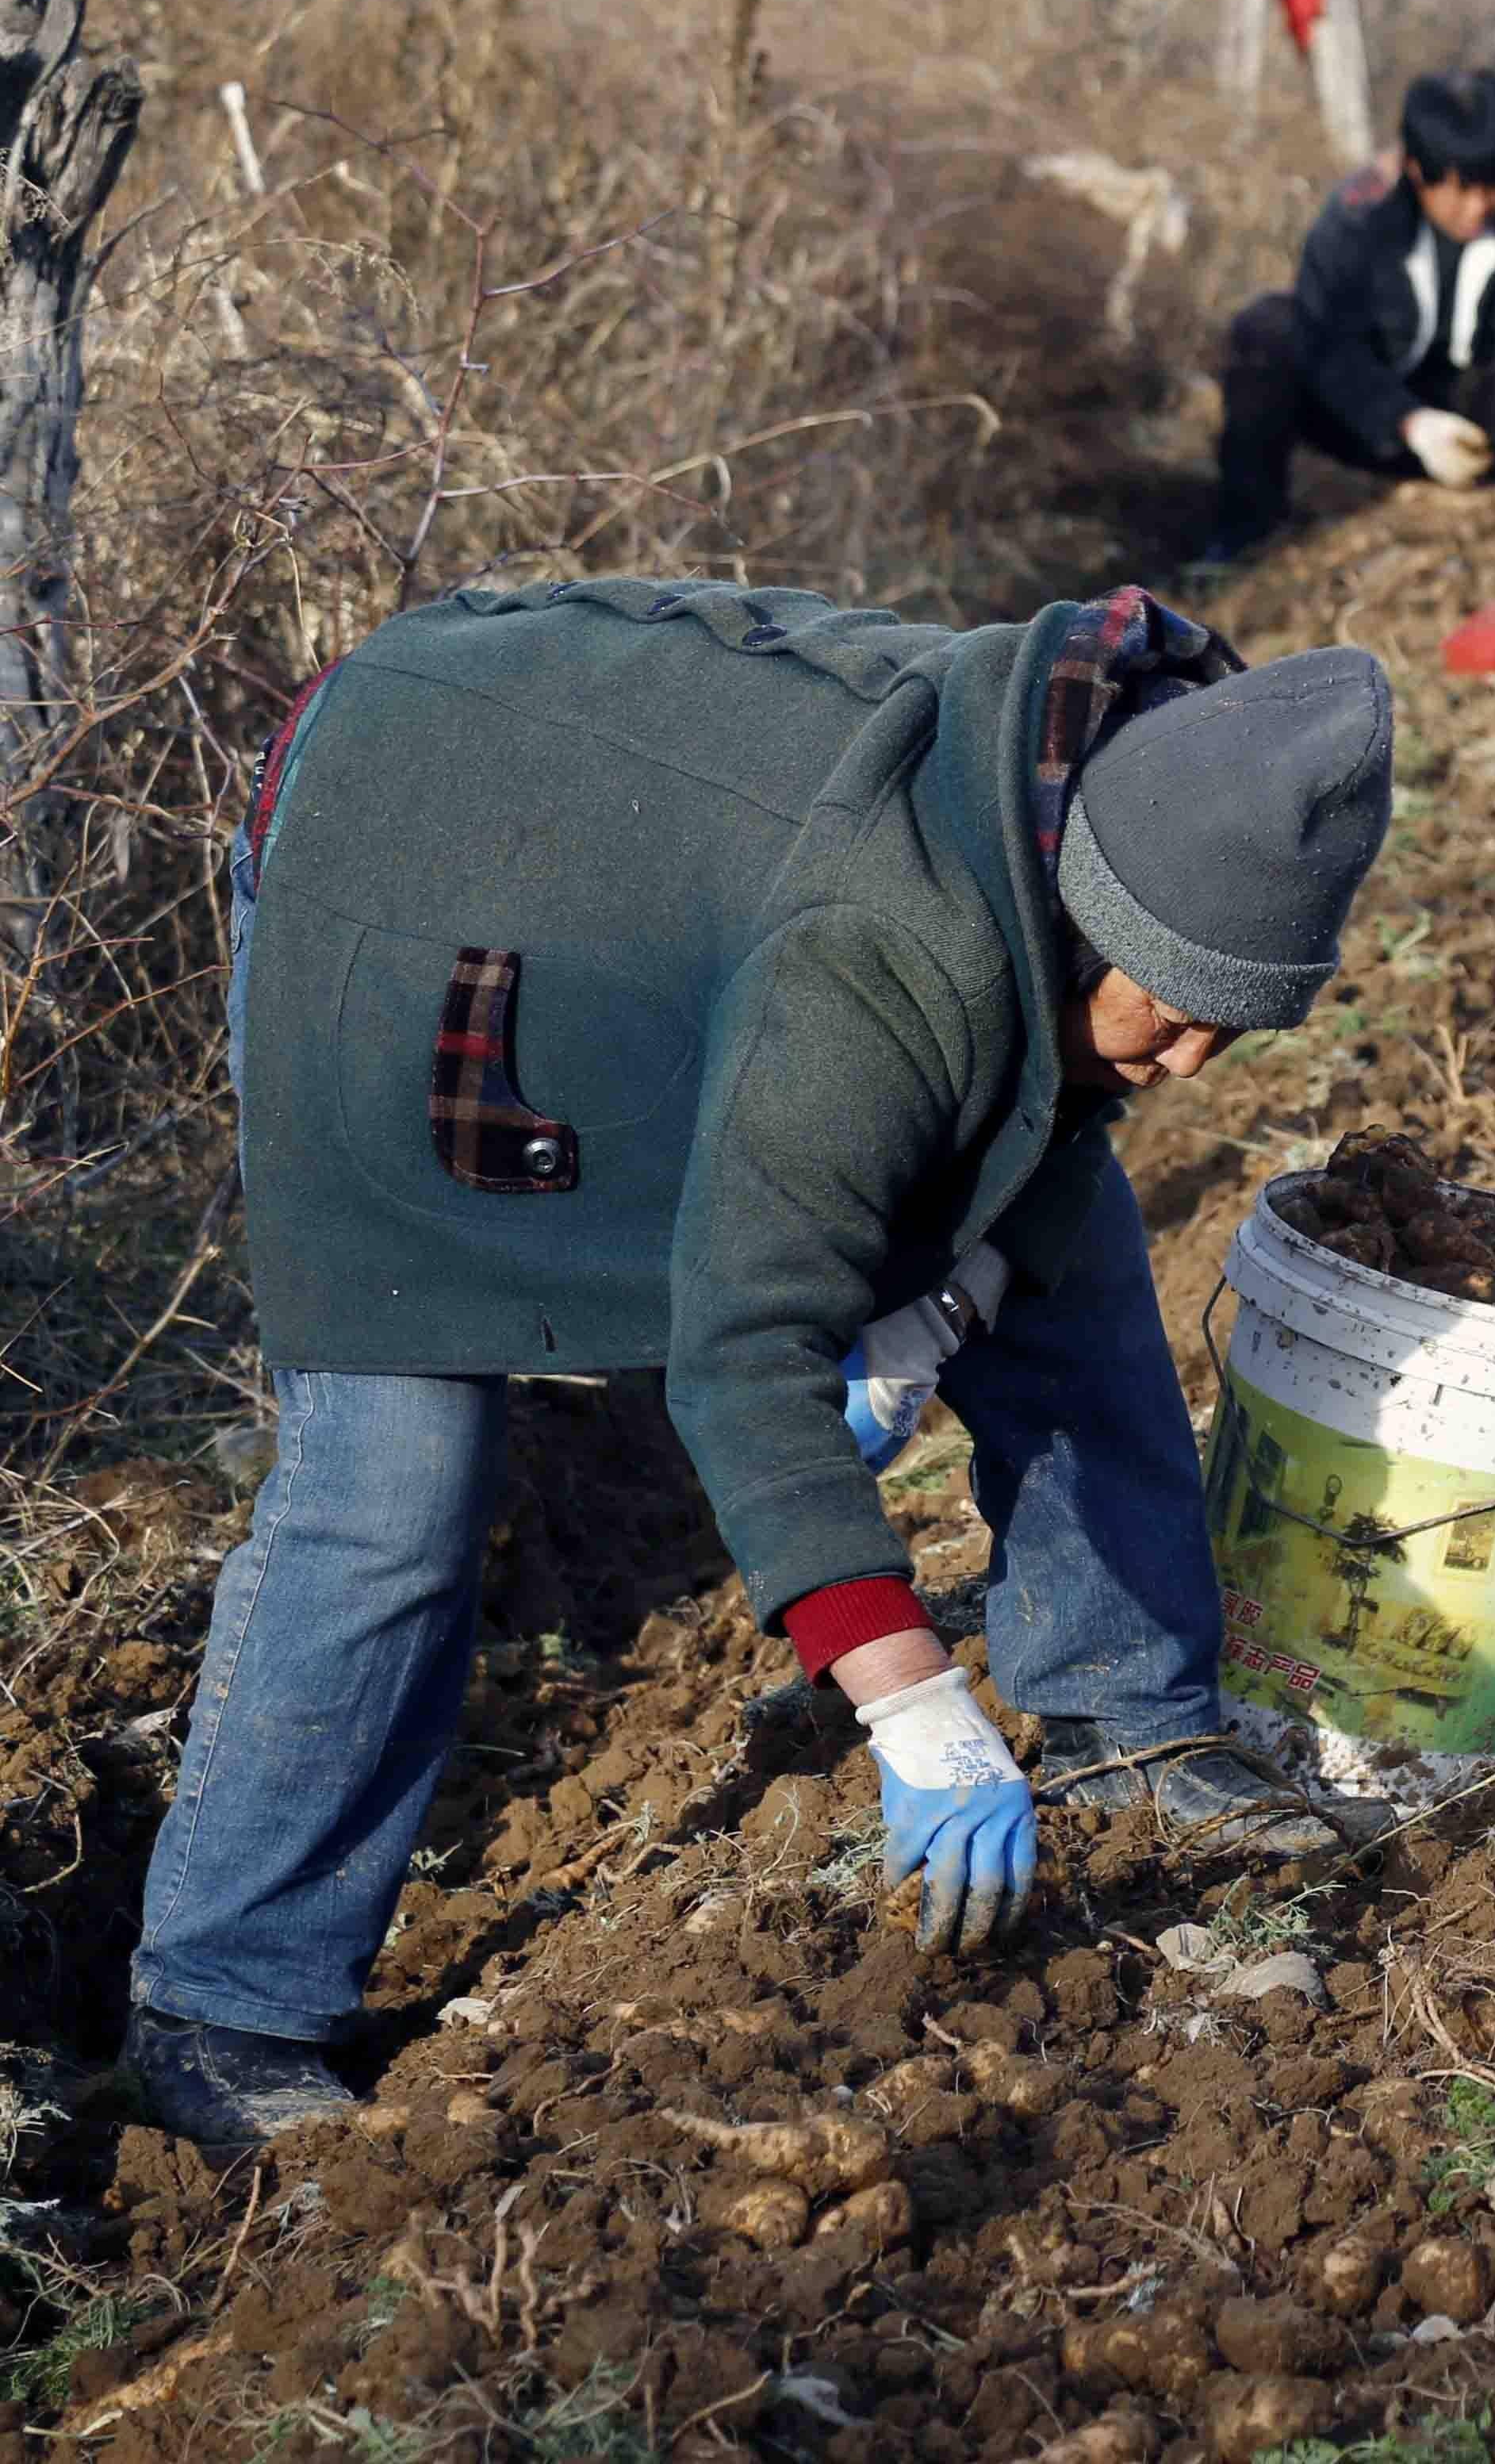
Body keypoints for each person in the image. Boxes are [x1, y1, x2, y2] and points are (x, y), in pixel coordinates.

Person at [131, 579, 1406, 2145]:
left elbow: (1052, 1129)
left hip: (639, 855)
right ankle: (226, 1997)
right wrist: (913, 1703)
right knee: (397, 1470)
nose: (1193, 1060)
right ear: (1093, 910)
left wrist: (941, 1306)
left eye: (1235, 1026)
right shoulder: (890, 946)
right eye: (1178, 1009)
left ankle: (1132, 1725)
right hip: (406, 858)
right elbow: (742, 1360)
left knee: (1071, 1266)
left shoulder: (1111, 796)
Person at [1213, 71, 1495, 559]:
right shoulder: (1355, 223)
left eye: (1494, 188)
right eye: (1462, 190)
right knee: (1268, 328)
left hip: (1485, 433)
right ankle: (1244, 535)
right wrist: (1406, 421)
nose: (1480, 206)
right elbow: (1327, 343)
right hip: (1373, 416)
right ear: (1419, 172)